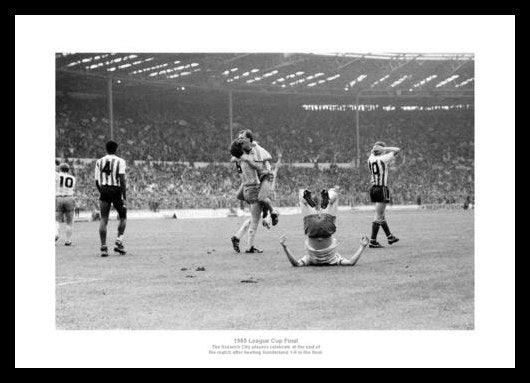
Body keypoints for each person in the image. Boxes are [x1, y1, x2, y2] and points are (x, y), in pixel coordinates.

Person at [279, 188, 369, 266]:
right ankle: (308, 199)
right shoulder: (310, 259)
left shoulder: (334, 259)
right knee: (302, 194)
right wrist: (284, 247)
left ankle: (330, 199)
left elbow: (350, 262)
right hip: (312, 229)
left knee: (334, 193)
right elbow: (297, 264)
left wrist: (362, 246)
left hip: (326, 229)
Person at [229, 138, 266, 254]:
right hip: (253, 188)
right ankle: (249, 247)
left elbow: (234, 158)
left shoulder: (238, 159)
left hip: (246, 188)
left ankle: (237, 237)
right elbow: (259, 167)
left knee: (254, 216)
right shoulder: (246, 158)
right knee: (255, 219)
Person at [237, 129, 280, 226]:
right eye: (239, 138)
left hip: (265, 175)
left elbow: (268, 157)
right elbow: (241, 167)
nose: (239, 140)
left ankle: (273, 212)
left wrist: (256, 159)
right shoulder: (242, 151)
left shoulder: (256, 148)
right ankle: (263, 207)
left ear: (249, 139)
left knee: (260, 198)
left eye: (242, 138)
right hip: (255, 177)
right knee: (239, 195)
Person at [94, 140, 127, 257]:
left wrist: (102, 191)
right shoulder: (120, 161)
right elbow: (122, 180)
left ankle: (103, 247)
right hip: (116, 190)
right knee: (123, 217)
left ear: (106, 149)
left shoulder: (99, 161)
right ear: (116, 149)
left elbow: (96, 181)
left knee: (103, 219)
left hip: (104, 190)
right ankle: (118, 242)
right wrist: (125, 196)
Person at [367, 141, 401, 248]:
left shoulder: (370, 159)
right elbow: (397, 150)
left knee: (381, 214)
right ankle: (373, 241)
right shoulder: (383, 158)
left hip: (373, 188)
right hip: (381, 189)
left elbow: (372, 153)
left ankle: (390, 237)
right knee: (378, 215)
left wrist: (376, 149)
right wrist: (385, 149)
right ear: (381, 151)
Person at [55, 163, 76, 246]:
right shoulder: (72, 178)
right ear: (68, 170)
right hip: (70, 198)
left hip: (59, 198)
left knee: (55, 219)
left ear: (60, 169)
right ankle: (68, 241)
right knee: (69, 222)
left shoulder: (56, 175)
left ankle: (55, 234)